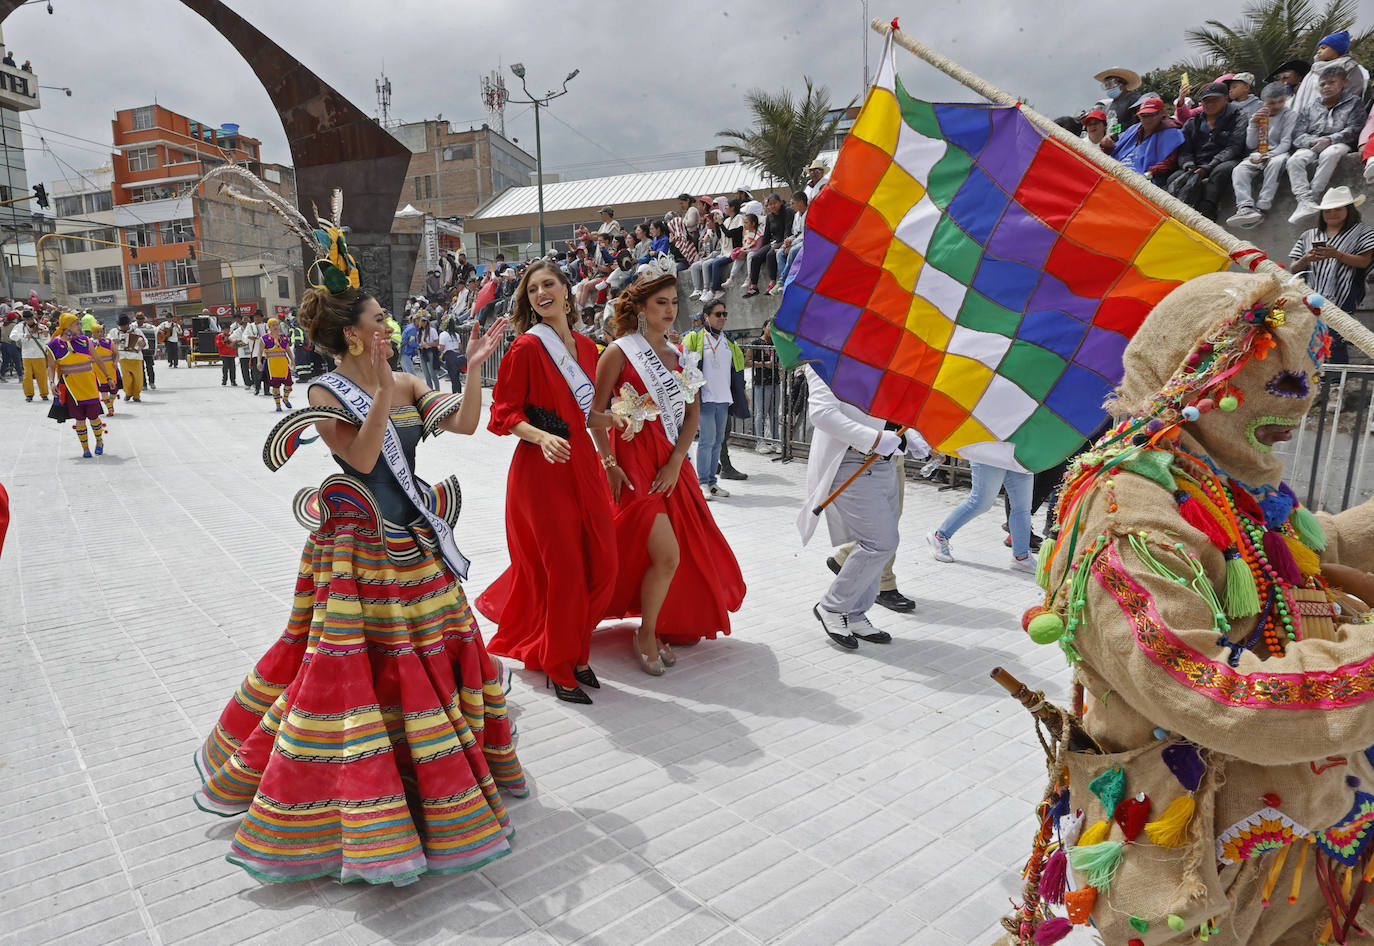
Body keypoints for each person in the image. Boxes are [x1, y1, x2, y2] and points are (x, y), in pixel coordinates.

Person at [998, 270, 1374, 946]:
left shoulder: (1216, 476)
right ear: (1195, 377)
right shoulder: (1128, 516)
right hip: (1203, 867)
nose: (1303, 403)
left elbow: (1295, 556)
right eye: (1282, 382)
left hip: (1306, 831)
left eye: (1310, 379)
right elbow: (1210, 692)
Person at [195, 270, 525, 884]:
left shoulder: (406, 379)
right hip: (358, 555)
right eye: (378, 321)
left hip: (415, 546)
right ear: (351, 334)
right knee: (359, 671)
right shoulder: (325, 392)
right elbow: (366, 458)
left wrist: (477, 367)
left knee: (429, 660)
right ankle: (364, 795)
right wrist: (375, 390)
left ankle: (431, 780)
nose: (388, 328)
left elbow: (464, 425)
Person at [475, 260, 625, 706]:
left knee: (604, 563)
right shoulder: (525, 348)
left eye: (549, 285)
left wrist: (616, 432)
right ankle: (565, 665)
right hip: (541, 472)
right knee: (563, 571)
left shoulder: (588, 348)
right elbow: (503, 413)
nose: (542, 293)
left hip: (585, 467)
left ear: (566, 291)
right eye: (533, 288)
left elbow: (592, 414)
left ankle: (571, 647)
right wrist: (540, 436)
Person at [590, 259, 745, 672]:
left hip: (670, 464)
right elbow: (593, 416)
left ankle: (654, 627)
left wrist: (678, 461)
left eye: (674, 302)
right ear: (641, 307)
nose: (669, 310)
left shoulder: (679, 355)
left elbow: (691, 415)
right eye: (661, 302)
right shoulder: (619, 353)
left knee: (676, 554)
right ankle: (646, 633)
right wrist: (608, 464)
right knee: (667, 556)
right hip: (632, 464)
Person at [801, 367, 925, 648]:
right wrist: (877, 438)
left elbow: (893, 406)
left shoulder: (885, 356)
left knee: (882, 543)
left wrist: (910, 436)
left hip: (884, 462)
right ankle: (832, 606)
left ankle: (855, 612)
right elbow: (822, 413)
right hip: (849, 461)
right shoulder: (825, 357)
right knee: (880, 542)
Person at [1289, 186, 1374, 364]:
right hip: (1310, 293)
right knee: (1307, 337)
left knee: (1336, 338)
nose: (1332, 213)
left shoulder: (1363, 232)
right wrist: (1306, 258)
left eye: (1338, 209)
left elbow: (1364, 261)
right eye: (1327, 210)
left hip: (1344, 291)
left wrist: (1338, 255)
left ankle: (1335, 384)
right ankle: (1313, 382)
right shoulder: (1308, 235)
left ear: (1348, 210)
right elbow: (1294, 267)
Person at [1285, 62, 1367, 226]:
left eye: (1332, 82)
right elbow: (1297, 134)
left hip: (1339, 143)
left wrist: (1331, 139)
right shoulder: (1310, 106)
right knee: (1294, 160)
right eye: (1323, 84)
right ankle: (1304, 201)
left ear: (1344, 83)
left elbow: (1355, 128)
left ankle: (1314, 197)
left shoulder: (1354, 102)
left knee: (1330, 154)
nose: (1326, 87)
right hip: (1313, 144)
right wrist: (1311, 141)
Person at [927, 459, 1036, 572]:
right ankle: (940, 536)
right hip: (990, 451)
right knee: (980, 503)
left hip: (1020, 455)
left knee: (1023, 507)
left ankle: (1022, 556)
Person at [681, 300, 740, 500]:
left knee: (718, 441)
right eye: (718, 314)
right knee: (706, 441)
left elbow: (737, 368)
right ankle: (702, 482)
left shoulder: (728, 340)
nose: (722, 317)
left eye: (725, 314)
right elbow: (685, 365)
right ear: (706, 317)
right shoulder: (694, 337)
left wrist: (741, 392)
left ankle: (713, 483)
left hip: (723, 397)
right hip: (704, 398)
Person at [1165, 82, 1245, 220]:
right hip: (1196, 164)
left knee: (1221, 171)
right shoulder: (1192, 122)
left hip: (1222, 161)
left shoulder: (1238, 117)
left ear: (1225, 99)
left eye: (1215, 100)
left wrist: (1209, 167)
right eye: (1206, 101)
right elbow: (1184, 151)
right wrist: (1189, 166)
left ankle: (1208, 210)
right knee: (1173, 179)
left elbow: (1234, 147)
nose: (1210, 104)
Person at [1226, 81, 1297, 230]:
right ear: (1263, 102)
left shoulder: (1290, 115)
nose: (1277, 106)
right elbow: (1251, 145)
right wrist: (1252, 124)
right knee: (1239, 170)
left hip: (1279, 153)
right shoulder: (1259, 115)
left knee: (1276, 163)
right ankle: (1245, 207)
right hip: (1258, 154)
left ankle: (1262, 207)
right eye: (1271, 103)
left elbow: (1286, 143)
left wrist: (1269, 155)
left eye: (1281, 102)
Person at [45, 313, 106, 457]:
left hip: (90, 386)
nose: (80, 326)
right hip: (72, 389)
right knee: (79, 419)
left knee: (94, 417)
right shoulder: (53, 345)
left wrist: (108, 377)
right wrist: (52, 382)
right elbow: (51, 366)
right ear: (67, 326)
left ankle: (99, 441)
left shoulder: (85, 341)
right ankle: (85, 449)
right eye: (76, 323)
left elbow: (98, 359)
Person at [1106, 98, 1183, 185]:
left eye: (1152, 114)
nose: (1147, 119)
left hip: (1143, 180)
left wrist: (1148, 175)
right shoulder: (1133, 129)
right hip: (1116, 171)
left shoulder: (1172, 134)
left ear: (1162, 113)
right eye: (1143, 115)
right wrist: (1106, 144)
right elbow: (1112, 150)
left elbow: (1168, 163)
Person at [255, 316, 295, 411]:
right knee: (275, 386)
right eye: (273, 325)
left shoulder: (284, 338)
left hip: (283, 364)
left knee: (288, 384)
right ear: (269, 327)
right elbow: (260, 352)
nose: (275, 326)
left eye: (276, 324)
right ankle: (278, 405)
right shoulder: (264, 338)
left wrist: (292, 360)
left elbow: (288, 350)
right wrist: (259, 362)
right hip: (272, 365)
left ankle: (285, 398)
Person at [773, 192, 808, 292]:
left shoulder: (810, 213)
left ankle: (782, 281)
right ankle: (786, 282)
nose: (791, 206)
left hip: (807, 240)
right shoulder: (796, 215)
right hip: (797, 240)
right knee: (780, 253)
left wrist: (792, 243)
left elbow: (806, 233)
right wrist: (788, 241)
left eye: (793, 203)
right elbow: (795, 233)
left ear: (801, 203)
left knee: (792, 251)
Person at [1093, 67, 1142, 131]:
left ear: (1122, 84)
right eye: (1106, 85)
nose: (1108, 88)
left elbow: (1139, 123)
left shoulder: (1135, 99)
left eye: (1111, 84)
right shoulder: (1107, 107)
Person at [16, 308, 49, 401]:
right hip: (26, 354)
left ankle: (44, 394)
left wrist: (45, 335)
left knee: (42, 375)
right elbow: (13, 336)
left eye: (30, 318)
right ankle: (29, 394)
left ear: (33, 317)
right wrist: (24, 336)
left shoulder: (42, 327)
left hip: (39, 354)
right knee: (27, 376)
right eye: (26, 319)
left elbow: (47, 340)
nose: (29, 321)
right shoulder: (20, 327)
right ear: (24, 319)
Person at [89, 323, 118, 416]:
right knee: (103, 390)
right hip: (97, 371)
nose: (100, 333)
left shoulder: (109, 342)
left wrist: (115, 362)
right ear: (93, 333)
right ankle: (110, 409)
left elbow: (116, 353)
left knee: (114, 391)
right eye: (97, 332)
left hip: (110, 369)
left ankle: (110, 403)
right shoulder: (90, 343)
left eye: (101, 331)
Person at [116, 314, 146, 402]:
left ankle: (136, 395)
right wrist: (114, 341)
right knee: (126, 379)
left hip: (136, 358)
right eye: (121, 326)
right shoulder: (116, 332)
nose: (122, 327)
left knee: (138, 379)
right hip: (123, 358)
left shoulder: (137, 331)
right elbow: (110, 341)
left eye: (124, 326)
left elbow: (144, 343)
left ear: (127, 325)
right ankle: (128, 393)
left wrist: (142, 344)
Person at [437, 319, 464, 393]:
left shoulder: (443, 334)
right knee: (457, 378)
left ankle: (455, 394)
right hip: (457, 356)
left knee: (453, 378)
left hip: (449, 356)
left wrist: (437, 347)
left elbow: (442, 348)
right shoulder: (456, 334)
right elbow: (460, 347)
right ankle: (459, 394)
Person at [133, 313, 157, 390]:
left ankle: (152, 382)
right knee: (140, 368)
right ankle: (144, 384)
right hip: (138, 351)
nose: (140, 321)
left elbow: (157, 330)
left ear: (144, 319)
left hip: (148, 351)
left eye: (141, 319)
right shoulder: (132, 326)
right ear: (136, 319)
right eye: (139, 319)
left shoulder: (149, 326)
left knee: (150, 367)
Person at [418, 317, 441, 390]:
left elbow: (437, 343)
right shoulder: (420, 331)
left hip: (430, 352)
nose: (420, 323)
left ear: (425, 322)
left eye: (421, 321)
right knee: (426, 374)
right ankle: (429, 390)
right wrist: (420, 345)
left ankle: (437, 390)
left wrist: (427, 344)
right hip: (422, 352)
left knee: (432, 373)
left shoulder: (432, 330)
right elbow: (418, 342)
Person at [215, 320, 237, 386]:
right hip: (224, 354)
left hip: (231, 354)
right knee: (225, 367)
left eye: (227, 330)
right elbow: (217, 344)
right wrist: (223, 341)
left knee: (232, 368)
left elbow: (234, 343)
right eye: (225, 330)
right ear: (222, 330)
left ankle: (233, 381)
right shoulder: (219, 336)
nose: (226, 331)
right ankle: (224, 380)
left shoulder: (231, 335)